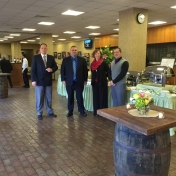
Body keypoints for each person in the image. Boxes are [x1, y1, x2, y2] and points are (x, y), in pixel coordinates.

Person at [31, 43, 58, 120]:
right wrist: (33, 80)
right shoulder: (36, 58)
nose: (43, 49)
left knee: (49, 97)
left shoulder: (51, 57)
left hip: (48, 80)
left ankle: (50, 111)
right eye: (42, 48)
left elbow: (55, 66)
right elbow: (33, 70)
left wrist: (52, 69)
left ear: (47, 49)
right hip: (39, 81)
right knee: (39, 98)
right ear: (40, 49)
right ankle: (39, 112)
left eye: (45, 48)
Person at [61, 46, 88, 117]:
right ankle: (70, 111)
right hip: (69, 82)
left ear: (77, 51)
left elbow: (85, 71)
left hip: (79, 82)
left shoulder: (82, 60)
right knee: (70, 97)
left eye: (75, 50)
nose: (74, 51)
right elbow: (62, 70)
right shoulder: (65, 60)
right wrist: (63, 79)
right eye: (72, 50)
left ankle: (81, 110)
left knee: (79, 97)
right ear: (70, 51)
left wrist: (85, 80)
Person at [91, 49, 109, 116]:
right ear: (94, 55)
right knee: (95, 97)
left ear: (100, 55)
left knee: (102, 97)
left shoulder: (103, 63)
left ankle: (102, 112)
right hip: (95, 83)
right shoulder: (92, 64)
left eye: (98, 53)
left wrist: (104, 77)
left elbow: (108, 72)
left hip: (102, 83)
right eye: (96, 54)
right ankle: (96, 111)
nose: (97, 55)